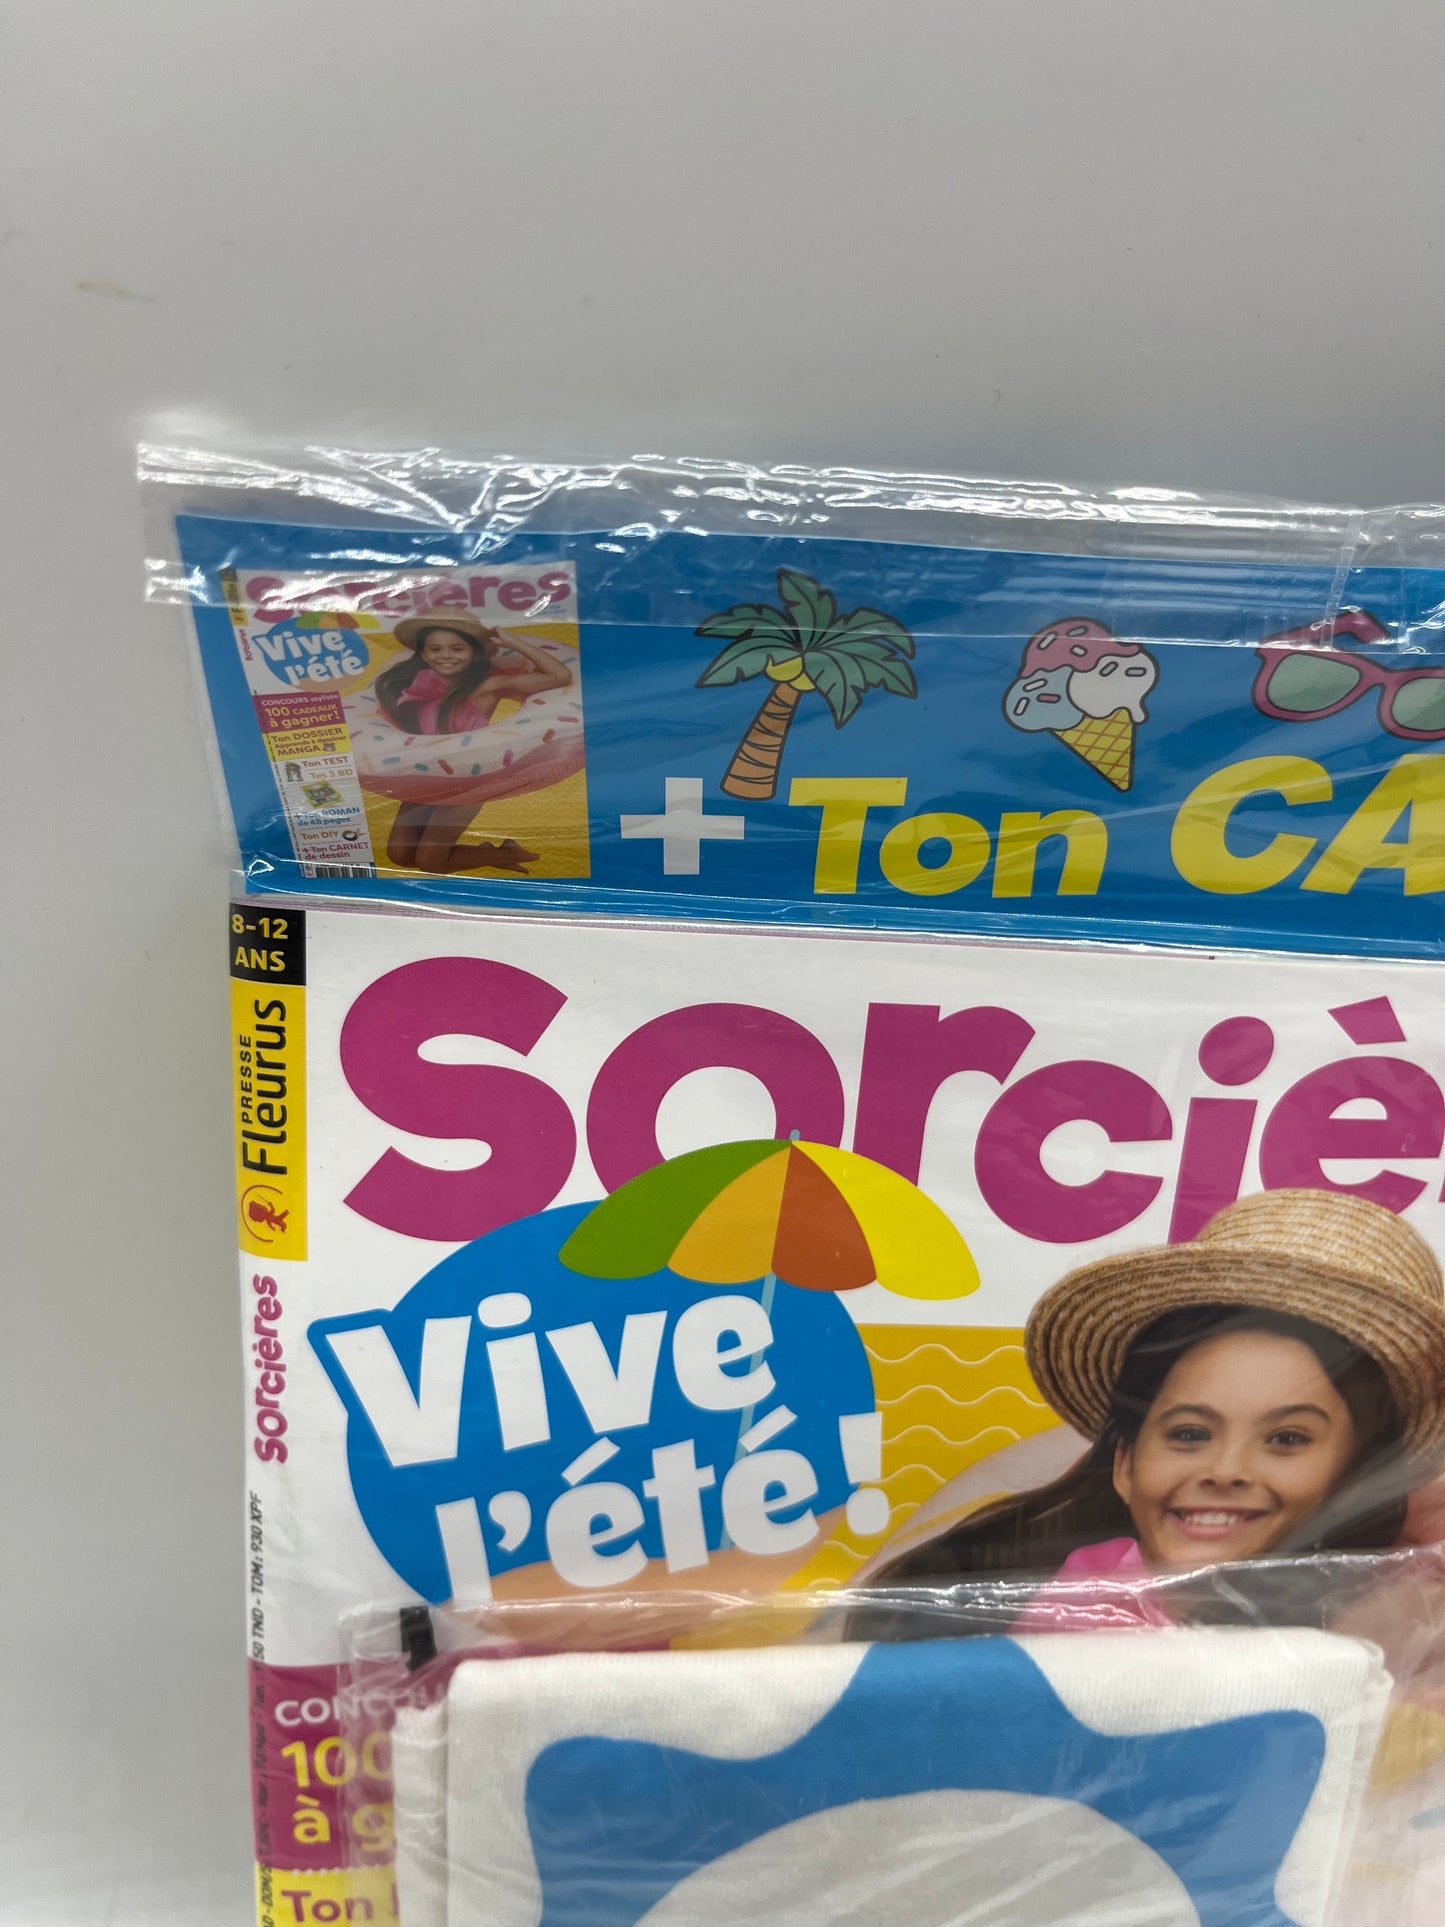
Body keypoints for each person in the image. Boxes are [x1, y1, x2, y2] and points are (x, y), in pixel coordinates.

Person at [853, 1188, 1445, 1636]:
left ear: (1359, 1479)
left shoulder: (1398, 1621)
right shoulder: (1075, 1619)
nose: (1225, 1470)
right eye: (1189, 1433)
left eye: (1287, 1439)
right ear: (1125, 1463)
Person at [371, 613, 573, 875]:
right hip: (425, 774)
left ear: (473, 653)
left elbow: (560, 675)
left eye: (457, 649)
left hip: (465, 779)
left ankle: (503, 854)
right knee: (399, 855)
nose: (446, 655)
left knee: (431, 862)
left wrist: (511, 642)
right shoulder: (415, 688)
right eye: (435, 649)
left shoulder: (487, 687)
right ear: (423, 653)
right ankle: (501, 852)